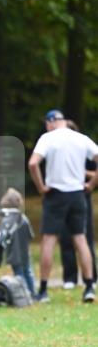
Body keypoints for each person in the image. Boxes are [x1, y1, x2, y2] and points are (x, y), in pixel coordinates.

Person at [28, 109, 98, 303]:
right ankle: (90, 287)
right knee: (81, 240)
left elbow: (33, 164)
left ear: (51, 122)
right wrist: (91, 185)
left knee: (49, 240)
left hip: (55, 194)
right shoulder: (81, 138)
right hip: (77, 194)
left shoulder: (48, 138)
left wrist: (41, 187)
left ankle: (43, 290)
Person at [59, 121, 97, 289]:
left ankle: (92, 277)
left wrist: (86, 179)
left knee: (85, 236)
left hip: (81, 194)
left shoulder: (83, 147)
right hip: (62, 195)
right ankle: (70, 278)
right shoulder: (59, 152)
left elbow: (93, 172)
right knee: (65, 237)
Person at [0, 188, 35, 298]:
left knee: (19, 274)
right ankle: (32, 292)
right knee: (28, 272)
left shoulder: (6, 221)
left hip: (13, 254)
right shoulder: (24, 218)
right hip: (25, 252)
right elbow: (31, 235)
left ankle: (25, 294)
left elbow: (2, 238)